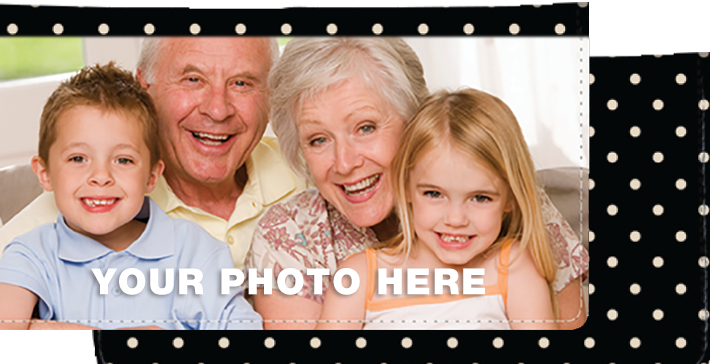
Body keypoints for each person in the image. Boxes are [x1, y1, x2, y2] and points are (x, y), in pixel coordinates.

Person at [245, 38, 588, 330]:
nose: (345, 162)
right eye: (318, 139)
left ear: (415, 122)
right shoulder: (290, 237)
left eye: (366, 127)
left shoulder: (507, 219)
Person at [0, 37, 309, 285]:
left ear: (271, 94)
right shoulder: (96, 198)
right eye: (193, 80)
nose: (217, 110)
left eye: (242, 83)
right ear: (145, 87)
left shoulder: (311, 166)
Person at [0, 63, 261, 330]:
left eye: (123, 160)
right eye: (77, 158)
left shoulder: (194, 252)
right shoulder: (34, 252)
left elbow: (244, 342)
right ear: (44, 173)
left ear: (151, 176)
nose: (100, 176)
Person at [316, 89, 558, 330]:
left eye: (480, 198)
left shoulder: (513, 266)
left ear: (511, 198)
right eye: (434, 194)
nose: (455, 219)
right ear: (406, 186)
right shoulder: (361, 276)